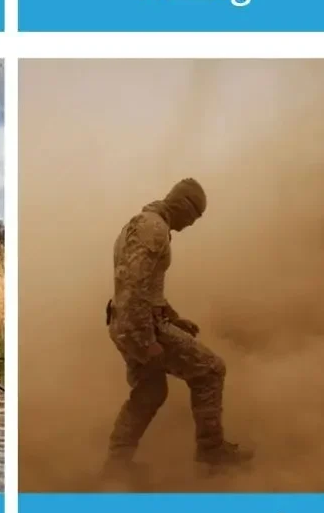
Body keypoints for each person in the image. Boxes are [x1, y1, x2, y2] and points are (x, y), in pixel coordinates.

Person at [105, 178, 252, 471]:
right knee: (211, 370)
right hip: (138, 325)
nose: (193, 223)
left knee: (150, 392)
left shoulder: (141, 225)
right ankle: (211, 451)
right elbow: (134, 286)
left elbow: (144, 285)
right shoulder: (153, 228)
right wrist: (147, 341)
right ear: (183, 204)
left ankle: (117, 464)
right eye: (195, 215)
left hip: (124, 322)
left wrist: (172, 317)